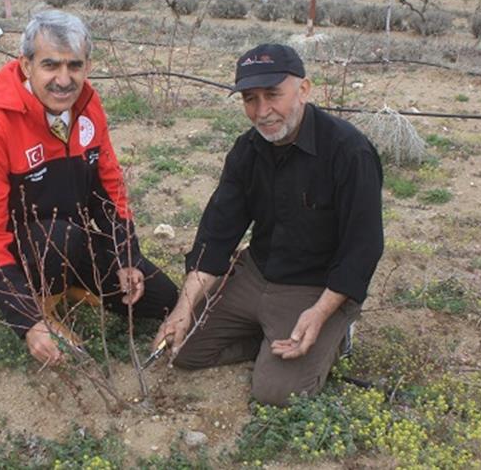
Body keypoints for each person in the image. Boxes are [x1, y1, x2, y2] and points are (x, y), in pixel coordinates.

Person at [152, 44, 384, 405]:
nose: (262, 112)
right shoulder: (248, 150)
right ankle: (266, 338)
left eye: (273, 95)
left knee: (277, 393)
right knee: (180, 349)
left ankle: (336, 333)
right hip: (256, 274)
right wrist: (183, 308)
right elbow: (217, 233)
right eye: (250, 99)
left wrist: (322, 312)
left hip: (313, 288)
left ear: (304, 89)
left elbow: (363, 247)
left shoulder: (349, 152)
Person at [0, 10, 177, 365]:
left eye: (74, 66)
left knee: (162, 298)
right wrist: (27, 320)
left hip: (74, 243)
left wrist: (126, 257)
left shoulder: (89, 108)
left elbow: (109, 189)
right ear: (26, 65)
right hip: (26, 255)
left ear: (88, 66)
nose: (64, 80)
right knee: (57, 237)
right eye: (51, 66)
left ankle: (71, 288)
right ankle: (43, 310)